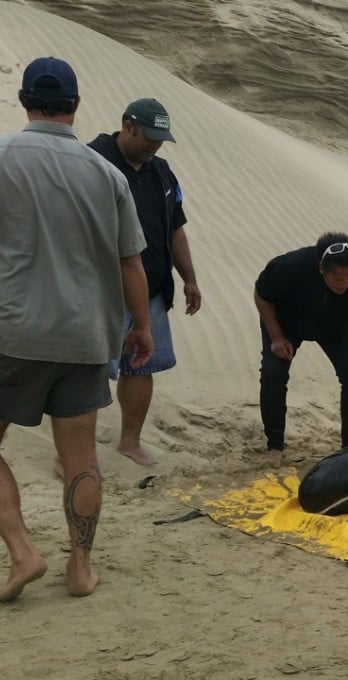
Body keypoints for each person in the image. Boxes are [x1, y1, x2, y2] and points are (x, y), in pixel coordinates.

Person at [0, 57, 153, 600]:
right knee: (81, 455)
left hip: (13, 331)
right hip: (86, 335)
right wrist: (142, 329)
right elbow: (131, 261)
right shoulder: (106, 173)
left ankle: (23, 552)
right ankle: (80, 570)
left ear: (23, 101)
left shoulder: (3, 156)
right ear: (76, 106)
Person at [88, 98, 201, 467]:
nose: (154, 144)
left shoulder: (162, 173)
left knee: (142, 367)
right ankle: (75, 451)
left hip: (151, 288)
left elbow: (177, 230)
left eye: (161, 138)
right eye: (149, 136)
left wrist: (189, 279)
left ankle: (129, 442)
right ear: (128, 125)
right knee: (88, 371)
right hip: (100, 289)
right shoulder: (93, 161)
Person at [254, 233, 348, 467]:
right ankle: (274, 445)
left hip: (335, 326)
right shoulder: (290, 266)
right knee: (273, 373)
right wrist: (276, 336)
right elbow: (262, 295)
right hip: (287, 323)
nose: (344, 285)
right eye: (337, 279)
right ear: (321, 268)